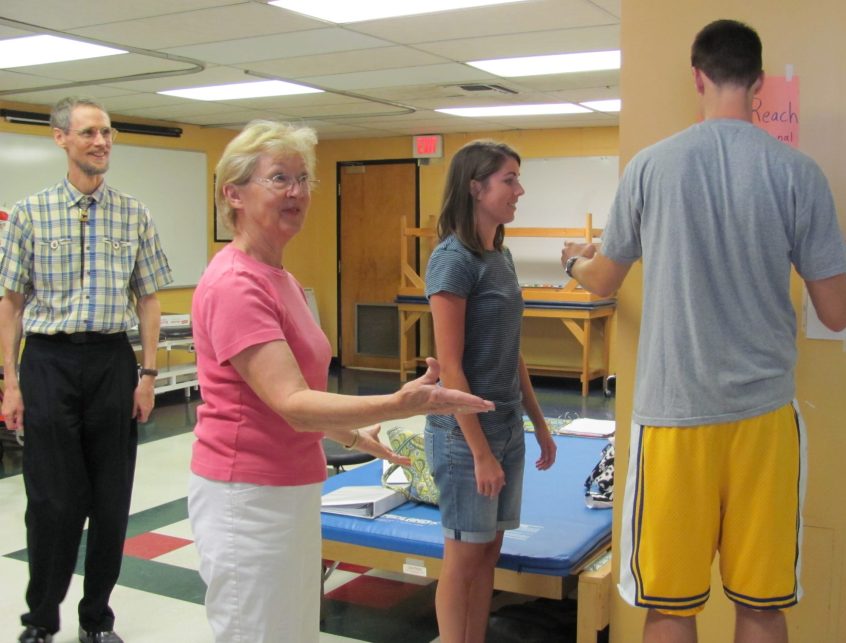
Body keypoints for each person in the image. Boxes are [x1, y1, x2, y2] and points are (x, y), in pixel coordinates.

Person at [560, 19, 846, 643]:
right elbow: (834, 310)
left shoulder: (650, 168)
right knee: (761, 605)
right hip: (764, 422)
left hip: (674, 421)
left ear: (698, 77)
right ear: (759, 85)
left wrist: (573, 260)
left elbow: (602, 282)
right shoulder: (798, 174)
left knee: (669, 607)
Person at [187, 120, 494, 643]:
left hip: (290, 483)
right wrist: (398, 405)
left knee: (291, 630)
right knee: (257, 632)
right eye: (279, 178)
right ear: (232, 194)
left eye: (304, 179)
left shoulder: (278, 276)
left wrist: (351, 436)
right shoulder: (235, 283)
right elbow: (291, 402)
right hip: (248, 495)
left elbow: (289, 394)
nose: (297, 193)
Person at [0, 96, 173, 643]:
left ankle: (95, 619)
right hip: (48, 361)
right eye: (89, 133)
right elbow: (11, 303)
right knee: (51, 499)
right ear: (61, 139)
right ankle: (40, 620)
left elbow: (148, 301)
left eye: (107, 132)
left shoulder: (135, 213)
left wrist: (147, 376)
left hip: (110, 362)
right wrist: (9, 380)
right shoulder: (28, 213)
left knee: (111, 495)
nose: (101, 142)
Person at [424, 139, 557, 643]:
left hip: (506, 428)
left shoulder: (501, 256)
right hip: (463, 437)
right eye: (509, 180)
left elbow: (511, 350)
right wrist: (479, 452)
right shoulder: (452, 260)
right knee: (462, 558)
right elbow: (451, 367)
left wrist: (539, 424)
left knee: (488, 554)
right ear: (476, 188)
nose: (519, 190)